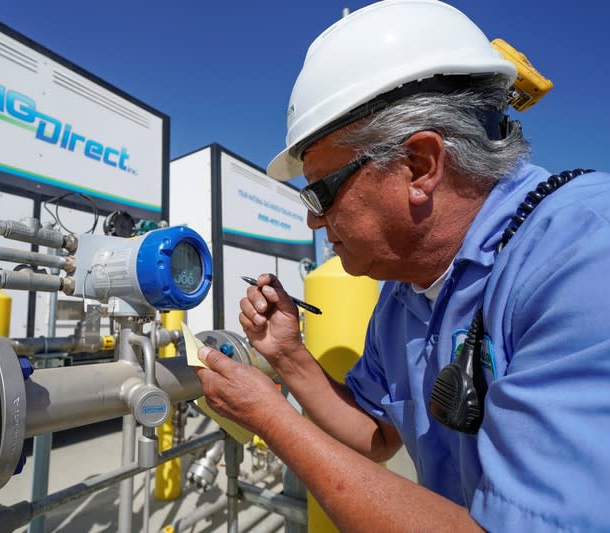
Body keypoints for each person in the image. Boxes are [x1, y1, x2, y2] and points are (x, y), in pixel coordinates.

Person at [194, 0, 610, 530]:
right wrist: (290, 356)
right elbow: (378, 437)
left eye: (320, 193)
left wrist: (269, 417)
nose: (314, 224)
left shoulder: (584, 256)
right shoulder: (404, 296)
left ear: (419, 166)